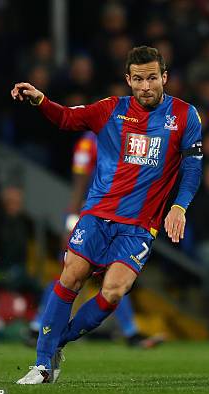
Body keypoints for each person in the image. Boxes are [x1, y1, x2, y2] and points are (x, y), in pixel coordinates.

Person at [11, 45, 203, 384]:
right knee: (71, 275)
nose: (146, 86)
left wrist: (179, 206)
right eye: (139, 79)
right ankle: (42, 365)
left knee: (114, 291)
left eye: (153, 78)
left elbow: (191, 169)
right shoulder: (110, 109)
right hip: (98, 214)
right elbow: (68, 118)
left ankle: (57, 342)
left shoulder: (186, 116)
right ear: (128, 80)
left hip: (140, 226)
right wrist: (41, 100)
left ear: (165, 78)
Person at [27, 131, 165, 349]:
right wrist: (72, 217)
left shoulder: (129, 137)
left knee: (116, 276)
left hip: (115, 216)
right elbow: (79, 178)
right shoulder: (91, 140)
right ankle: (37, 325)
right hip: (88, 214)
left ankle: (130, 332)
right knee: (69, 275)